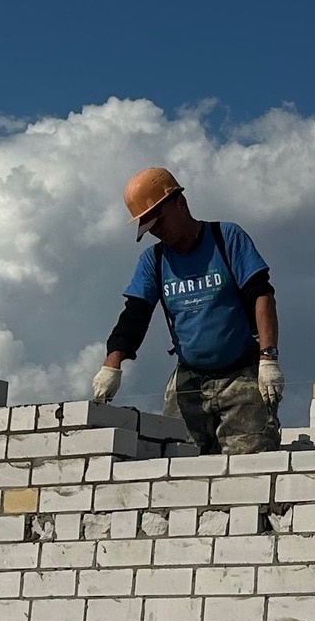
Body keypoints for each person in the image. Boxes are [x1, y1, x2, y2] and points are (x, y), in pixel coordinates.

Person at [92, 167, 284, 453]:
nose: (158, 231)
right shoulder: (155, 260)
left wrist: (268, 358)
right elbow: (135, 314)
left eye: (160, 221)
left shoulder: (226, 238)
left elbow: (262, 294)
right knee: (176, 457)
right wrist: (112, 365)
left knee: (250, 466)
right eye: (150, 227)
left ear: (180, 203)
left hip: (241, 372)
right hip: (190, 378)